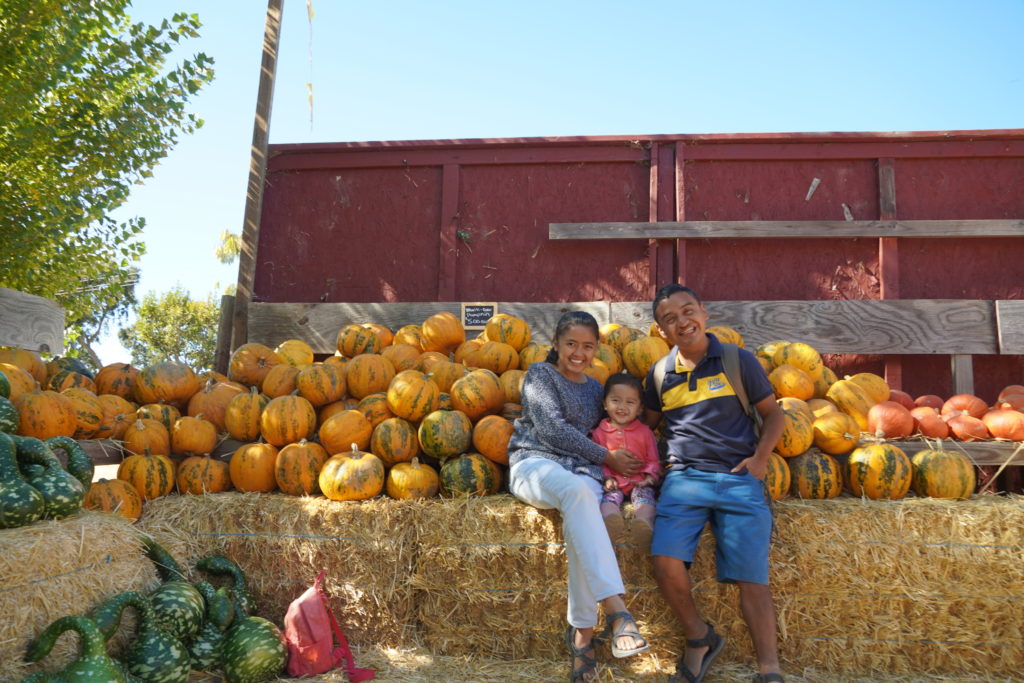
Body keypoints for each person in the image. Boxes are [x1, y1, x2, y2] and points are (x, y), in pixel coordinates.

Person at [644, 284, 787, 683]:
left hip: (736, 478)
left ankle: (769, 669)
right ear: (661, 332)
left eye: (687, 311)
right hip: (684, 479)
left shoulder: (738, 361)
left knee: (752, 577)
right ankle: (699, 637)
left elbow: (774, 416)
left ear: (704, 313)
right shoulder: (659, 374)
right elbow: (647, 428)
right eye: (669, 318)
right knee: (664, 561)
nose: (681, 321)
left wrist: (760, 461)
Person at [507, 311, 650, 682]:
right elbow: (551, 430)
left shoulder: (593, 387)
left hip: (582, 471)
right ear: (555, 343)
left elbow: (604, 431)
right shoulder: (540, 375)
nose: (578, 353)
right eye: (571, 344)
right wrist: (606, 457)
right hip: (535, 464)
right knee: (577, 494)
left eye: (588, 346)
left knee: (583, 512)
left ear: (596, 349)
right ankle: (617, 610)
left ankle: (583, 637)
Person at [591, 373, 662, 548]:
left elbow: (654, 460)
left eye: (630, 402)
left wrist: (650, 477)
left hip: (639, 483)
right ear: (605, 404)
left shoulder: (645, 432)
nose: (622, 407)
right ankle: (610, 523)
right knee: (608, 501)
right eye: (616, 401)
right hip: (614, 483)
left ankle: (643, 524)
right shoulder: (598, 434)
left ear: (639, 408)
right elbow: (597, 462)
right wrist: (607, 478)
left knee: (645, 500)